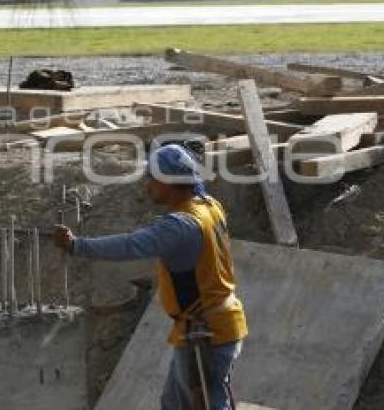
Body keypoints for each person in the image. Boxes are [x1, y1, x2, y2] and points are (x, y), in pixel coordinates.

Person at [54, 144, 247, 410]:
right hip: (213, 324)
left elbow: (129, 245)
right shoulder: (208, 206)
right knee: (175, 403)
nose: (147, 185)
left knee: (206, 404)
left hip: (207, 332)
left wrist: (77, 245)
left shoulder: (181, 226)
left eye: (152, 179)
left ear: (168, 182)